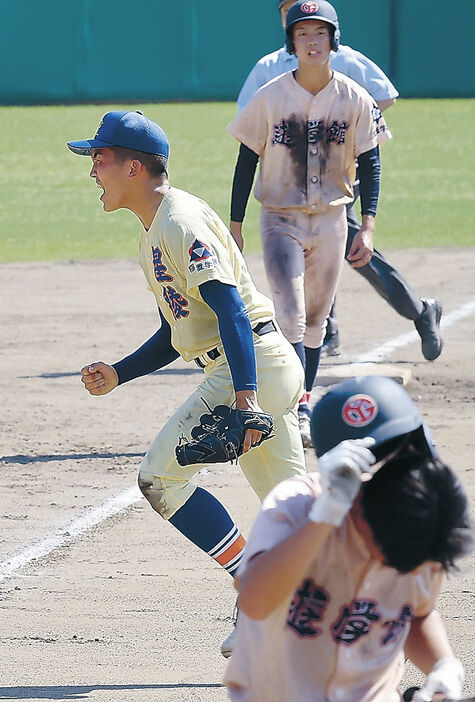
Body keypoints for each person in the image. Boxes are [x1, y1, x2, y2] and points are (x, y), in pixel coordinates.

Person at [66, 110, 306, 657]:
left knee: (161, 479)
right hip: (260, 365)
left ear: (134, 167)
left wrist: (244, 397)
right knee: (292, 509)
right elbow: (178, 330)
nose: (93, 171)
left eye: (99, 160)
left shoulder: (180, 222)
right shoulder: (159, 229)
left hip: (250, 369)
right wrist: (120, 373)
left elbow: (231, 311)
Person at [224, 375, 473, 701]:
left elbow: (417, 613)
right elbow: (255, 602)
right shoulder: (296, 507)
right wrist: (322, 519)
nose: (389, 567)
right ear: (357, 509)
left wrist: (443, 666)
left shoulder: (426, 520)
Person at [236, 0, 443, 365]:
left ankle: (414, 311)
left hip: (336, 181)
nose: (298, 18)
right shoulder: (269, 67)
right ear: (285, 23)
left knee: (350, 250)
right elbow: (248, 120)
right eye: (288, 12)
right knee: (323, 252)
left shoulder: (346, 59)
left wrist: (341, 131)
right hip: (288, 186)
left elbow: (384, 94)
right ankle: (338, 326)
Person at [227, 0, 390, 448]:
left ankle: (303, 398)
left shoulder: (354, 97)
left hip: (333, 220)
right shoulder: (272, 95)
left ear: (333, 40)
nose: (312, 41)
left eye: (320, 33)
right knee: (292, 315)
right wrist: (235, 222)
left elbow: (372, 164)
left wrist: (369, 226)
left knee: (316, 321)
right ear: (292, 42)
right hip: (280, 219)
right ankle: (297, 408)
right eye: (303, 34)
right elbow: (246, 159)